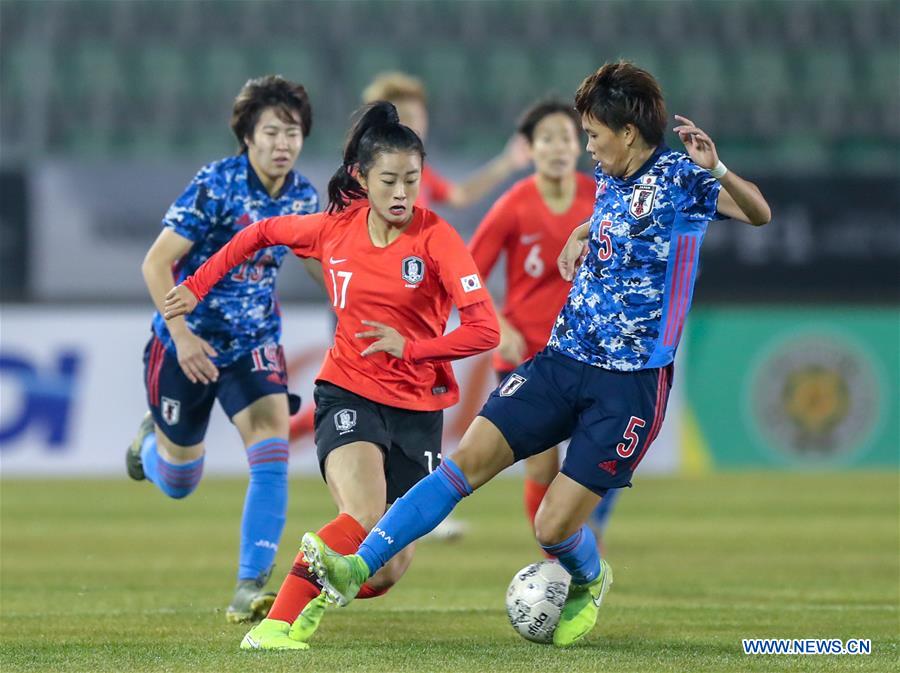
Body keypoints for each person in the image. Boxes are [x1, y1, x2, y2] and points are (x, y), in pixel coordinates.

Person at [300, 61, 772, 648]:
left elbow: (758, 212)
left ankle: (590, 578)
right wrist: (582, 234)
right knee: (466, 459)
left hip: (629, 384)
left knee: (552, 527)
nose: (588, 149)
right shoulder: (609, 178)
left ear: (627, 133)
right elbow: (615, 221)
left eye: (594, 136)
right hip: (562, 359)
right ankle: (359, 564)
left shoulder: (682, 179)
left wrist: (717, 169)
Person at [164, 102, 500, 650]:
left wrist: (414, 347)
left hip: (418, 411)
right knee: (363, 512)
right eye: (388, 180)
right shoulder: (332, 231)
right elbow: (257, 235)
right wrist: (197, 286)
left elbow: (484, 329)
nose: (400, 193)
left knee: (388, 569)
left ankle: (305, 584)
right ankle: (277, 628)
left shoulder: (437, 239)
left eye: (411, 180)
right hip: (348, 391)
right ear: (362, 178)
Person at [125, 75, 318, 623]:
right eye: (273, 132)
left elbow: (321, 268)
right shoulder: (216, 185)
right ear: (248, 137)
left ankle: (249, 585)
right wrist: (182, 336)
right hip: (185, 343)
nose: (284, 143)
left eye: (294, 132)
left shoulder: (304, 196)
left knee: (272, 451)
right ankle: (148, 449)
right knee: (182, 480)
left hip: (256, 343)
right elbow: (156, 263)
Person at [468, 99, 621, 553]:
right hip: (528, 356)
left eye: (566, 137)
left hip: (590, 351)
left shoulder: (598, 195)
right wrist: (499, 325)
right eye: (547, 138)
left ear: (579, 146)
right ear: (530, 149)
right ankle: (554, 556)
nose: (557, 147)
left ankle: (580, 538)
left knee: (594, 459)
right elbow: (468, 274)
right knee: (539, 466)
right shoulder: (513, 205)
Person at [362, 71, 531, 210]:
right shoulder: (361, 178)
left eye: (419, 117)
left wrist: (507, 162)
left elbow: (460, 195)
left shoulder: (421, 173)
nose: (415, 126)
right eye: (405, 117)